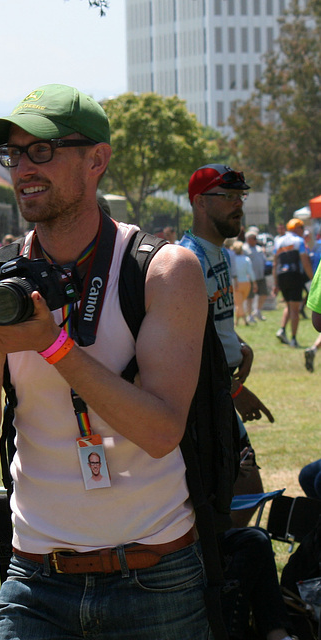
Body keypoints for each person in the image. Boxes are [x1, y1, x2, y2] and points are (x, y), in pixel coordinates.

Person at [0, 83, 211, 639]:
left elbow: (161, 431)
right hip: (35, 579)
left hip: (155, 577)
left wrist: (53, 346)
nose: (23, 168)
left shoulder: (164, 272)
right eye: (13, 154)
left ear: (97, 160)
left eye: (42, 150)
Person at [180, 164, 274, 527]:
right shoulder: (189, 260)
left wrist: (239, 345)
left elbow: (212, 324)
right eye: (229, 197)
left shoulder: (219, 253)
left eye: (241, 197)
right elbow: (187, 345)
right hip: (206, 400)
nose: (239, 205)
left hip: (220, 392)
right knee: (237, 499)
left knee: (246, 492)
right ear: (200, 202)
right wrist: (233, 391)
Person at [274, 218, 313, 348]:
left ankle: (282, 329)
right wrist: (312, 278)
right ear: (298, 229)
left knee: (289, 305)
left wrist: (275, 283)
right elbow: (305, 262)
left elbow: (275, 264)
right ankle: (294, 339)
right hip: (295, 276)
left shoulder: (278, 241)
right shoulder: (299, 241)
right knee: (295, 309)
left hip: (281, 276)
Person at [243, 230, 269, 322]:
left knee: (264, 294)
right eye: (254, 238)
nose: (255, 240)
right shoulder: (244, 249)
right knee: (250, 297)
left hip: (260, 276)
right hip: (250, 277)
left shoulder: (259, 248)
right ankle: (249, 315)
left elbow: (264, 260)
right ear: (249, 239)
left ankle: (257, 311)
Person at [231, 240, 256, 326]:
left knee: (239, 304)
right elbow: (251, 272)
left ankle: (242, 321)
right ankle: (240, 321)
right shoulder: (246, 259)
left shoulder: (232, 260)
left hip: (236, 283)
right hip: (246, 283)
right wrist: (254, 283)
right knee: (240, 303)